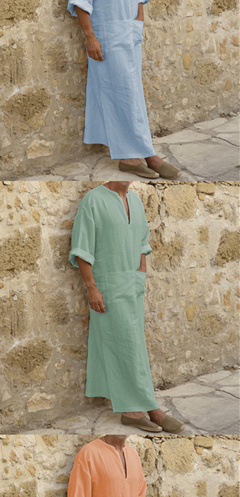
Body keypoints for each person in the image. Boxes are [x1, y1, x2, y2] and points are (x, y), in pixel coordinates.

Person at [69, 182, 183, 434]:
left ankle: (138, 407)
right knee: (127, 346)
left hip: (132, 285)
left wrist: (141, 271)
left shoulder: (136, 201)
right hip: (108, 286)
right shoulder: (93, 200)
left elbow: (142, 241)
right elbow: (82, 248)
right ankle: (145, 409)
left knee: (133, 345)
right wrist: (92, 288)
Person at [67, 0, 180, 180]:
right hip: (106, 36)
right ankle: (141, 156)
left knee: (132, 93)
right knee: (123, 94)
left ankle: (137, 154)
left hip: (131, 34)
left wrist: (138, 23)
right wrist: (90, 36)